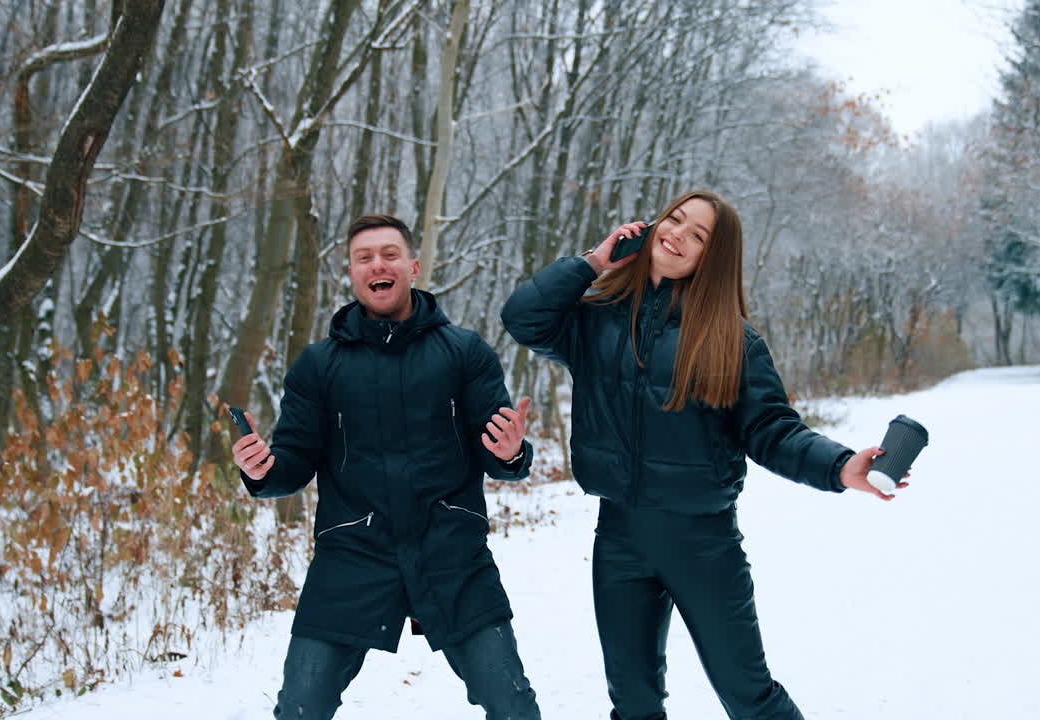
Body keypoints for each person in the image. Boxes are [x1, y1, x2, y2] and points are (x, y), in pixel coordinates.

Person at [501, 190, 908, 720]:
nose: (678, 235)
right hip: (619, 537)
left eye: (698, 236)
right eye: (674, 220)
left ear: (712, 258)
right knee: (633, 703)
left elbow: (773, 431)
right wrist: (595, 261)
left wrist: (840, 467)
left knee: (748, 695)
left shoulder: (732, 340)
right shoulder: (595, 319)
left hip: (703, 544)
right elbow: (523, 317)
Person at [233, 214, 541, 720]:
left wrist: (511, 453)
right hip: (352, 554)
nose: (378, 264)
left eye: (390, 254)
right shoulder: (318, 365)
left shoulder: (465, 353)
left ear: (413, 267)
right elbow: (291, 465)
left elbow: (500, 457)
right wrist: (261, 470)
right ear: (352, 274)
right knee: (301, 706)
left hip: (452, 553)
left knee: (512, 703)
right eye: (364, 257)